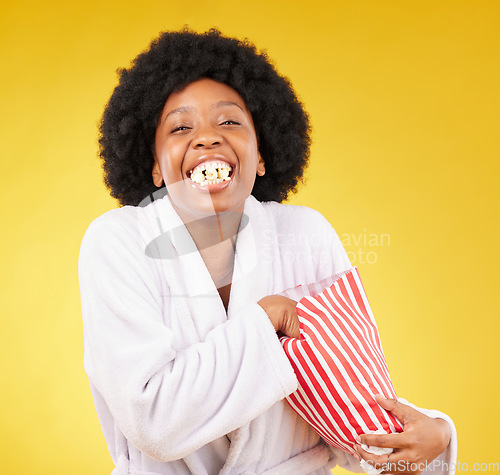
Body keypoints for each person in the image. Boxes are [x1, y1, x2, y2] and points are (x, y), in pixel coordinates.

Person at [79, 29, 457, 474]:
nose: (206, 138)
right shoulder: (117, 242)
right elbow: (154, 420)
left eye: (230, 121)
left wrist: (432, 440)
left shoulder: (305, 234)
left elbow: (348, 398)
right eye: (181, 128)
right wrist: (267, 318)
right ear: (155, 167)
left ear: (261, 155)